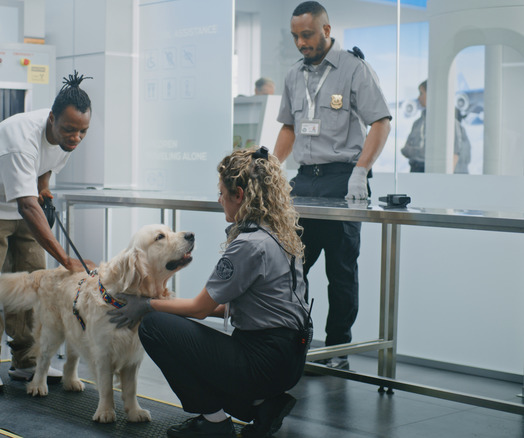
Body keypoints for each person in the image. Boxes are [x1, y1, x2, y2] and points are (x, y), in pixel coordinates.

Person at [108, 147, 312, 438]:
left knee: (155, 328)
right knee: (186, 335)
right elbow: (237, 307)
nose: (219, 200)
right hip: (288, 360)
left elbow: (200, 308)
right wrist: (166, 306)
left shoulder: (249, 244)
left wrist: (147, 305)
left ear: (239, 195)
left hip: (262, 360)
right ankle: (262, 404)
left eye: (221, 193)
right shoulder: (278, 234)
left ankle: (214, 422)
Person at [273, 1, 391, 370]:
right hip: (305, 181)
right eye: (295, 36)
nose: (301, 43)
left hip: (342, 179)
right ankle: (295, 342)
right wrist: (272, 169)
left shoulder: (355, 69)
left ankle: (338, 350)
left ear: (326, 29)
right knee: (291, 269)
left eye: (307, 35)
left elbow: (381, 122)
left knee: (340, 272)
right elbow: (289, 128)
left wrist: (361, 171)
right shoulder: (295, 75)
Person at [0, 71, 96, 392]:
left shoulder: (66, 135)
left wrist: (44, 183)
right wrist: (67, 260)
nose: (76, 137)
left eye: (83, 131)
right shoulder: (19, 139)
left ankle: (26, 359)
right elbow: (26, 206)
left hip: (27, 201)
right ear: (51, 119)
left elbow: (47, 162)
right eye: (69, 130)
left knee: (35, 281)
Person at [401, 80, 471, 173]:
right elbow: (405, 150)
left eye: (421, 93)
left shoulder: (449, 123)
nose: (418, 98)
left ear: (431, 94)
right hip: (416, 172)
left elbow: (454, 154)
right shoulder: (417, 123)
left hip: (437, 174)